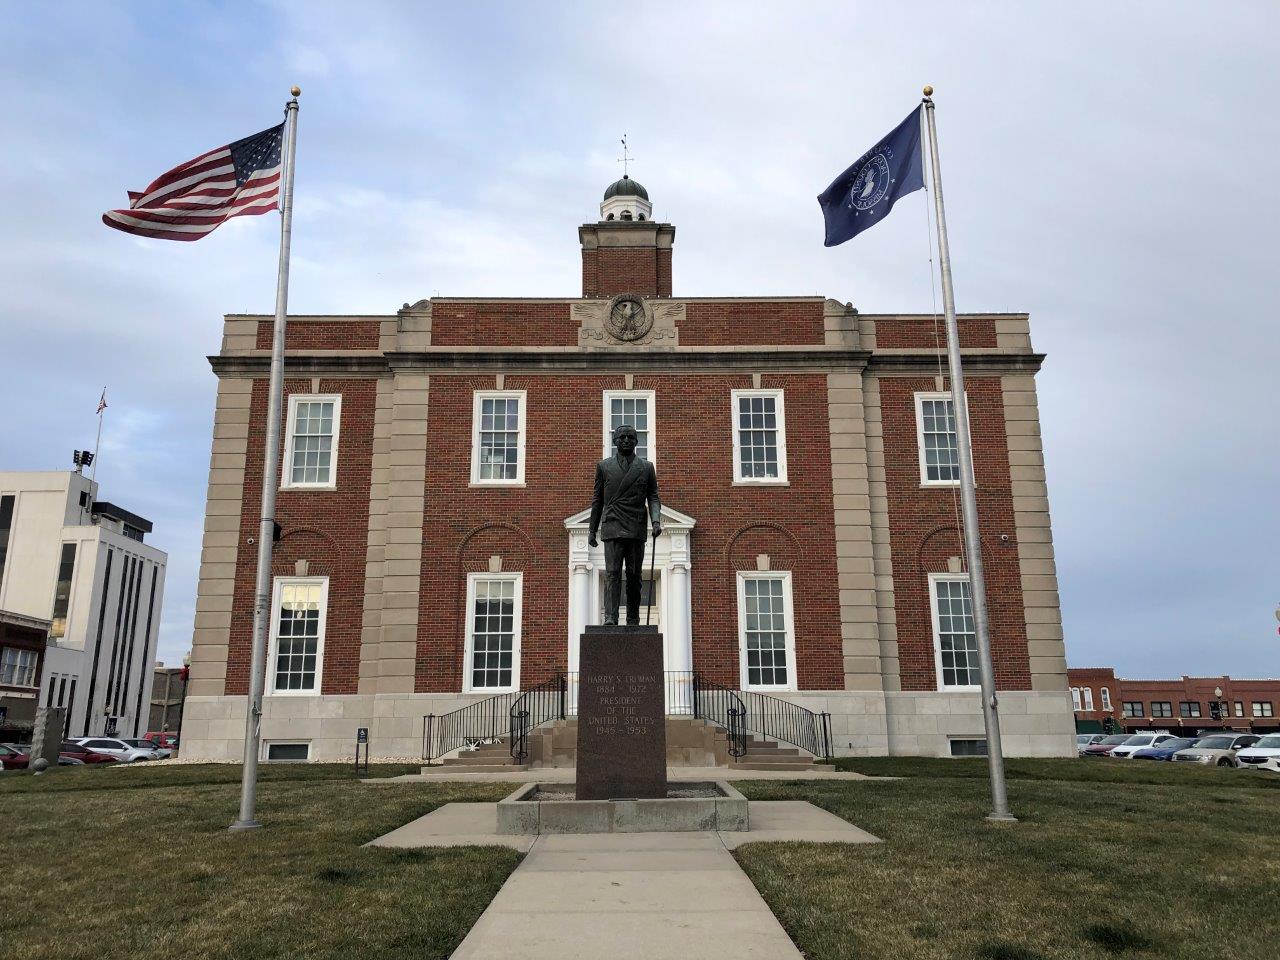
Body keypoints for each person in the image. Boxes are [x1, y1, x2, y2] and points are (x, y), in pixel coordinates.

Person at [588, 424, 662, 625]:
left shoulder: (646, 467)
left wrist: (656, 521)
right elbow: (597, 500)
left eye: (630, 437)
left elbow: (653, 497)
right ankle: (611, 618)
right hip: (612, 524)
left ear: (637, 441)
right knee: (612, 573)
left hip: (636, 525)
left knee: (634, 575)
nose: (626, 440)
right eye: (622, 437)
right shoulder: (604, 467)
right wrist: (592, 530)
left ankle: (633, 618)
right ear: (615, 441)